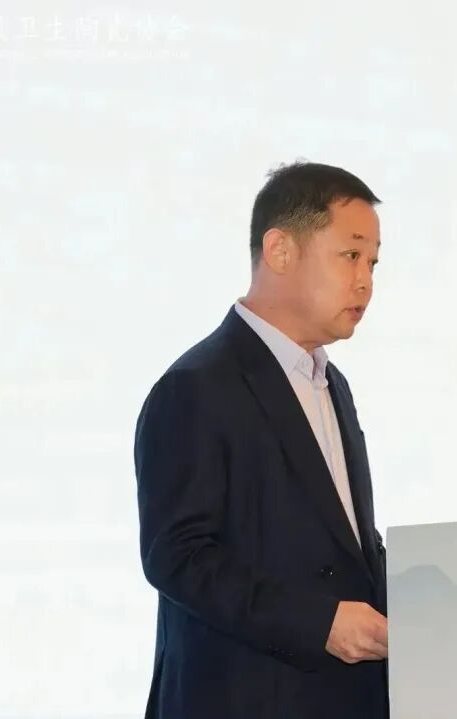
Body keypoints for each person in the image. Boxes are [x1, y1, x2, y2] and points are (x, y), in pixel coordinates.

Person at [133, 161, 389, 719]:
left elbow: (343, 546)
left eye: (373, 262)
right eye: (350, 255)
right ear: (280, 251)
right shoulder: (196, 387)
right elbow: (177, 557)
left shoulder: (332, 385)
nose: (366, 280)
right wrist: (318, 623)